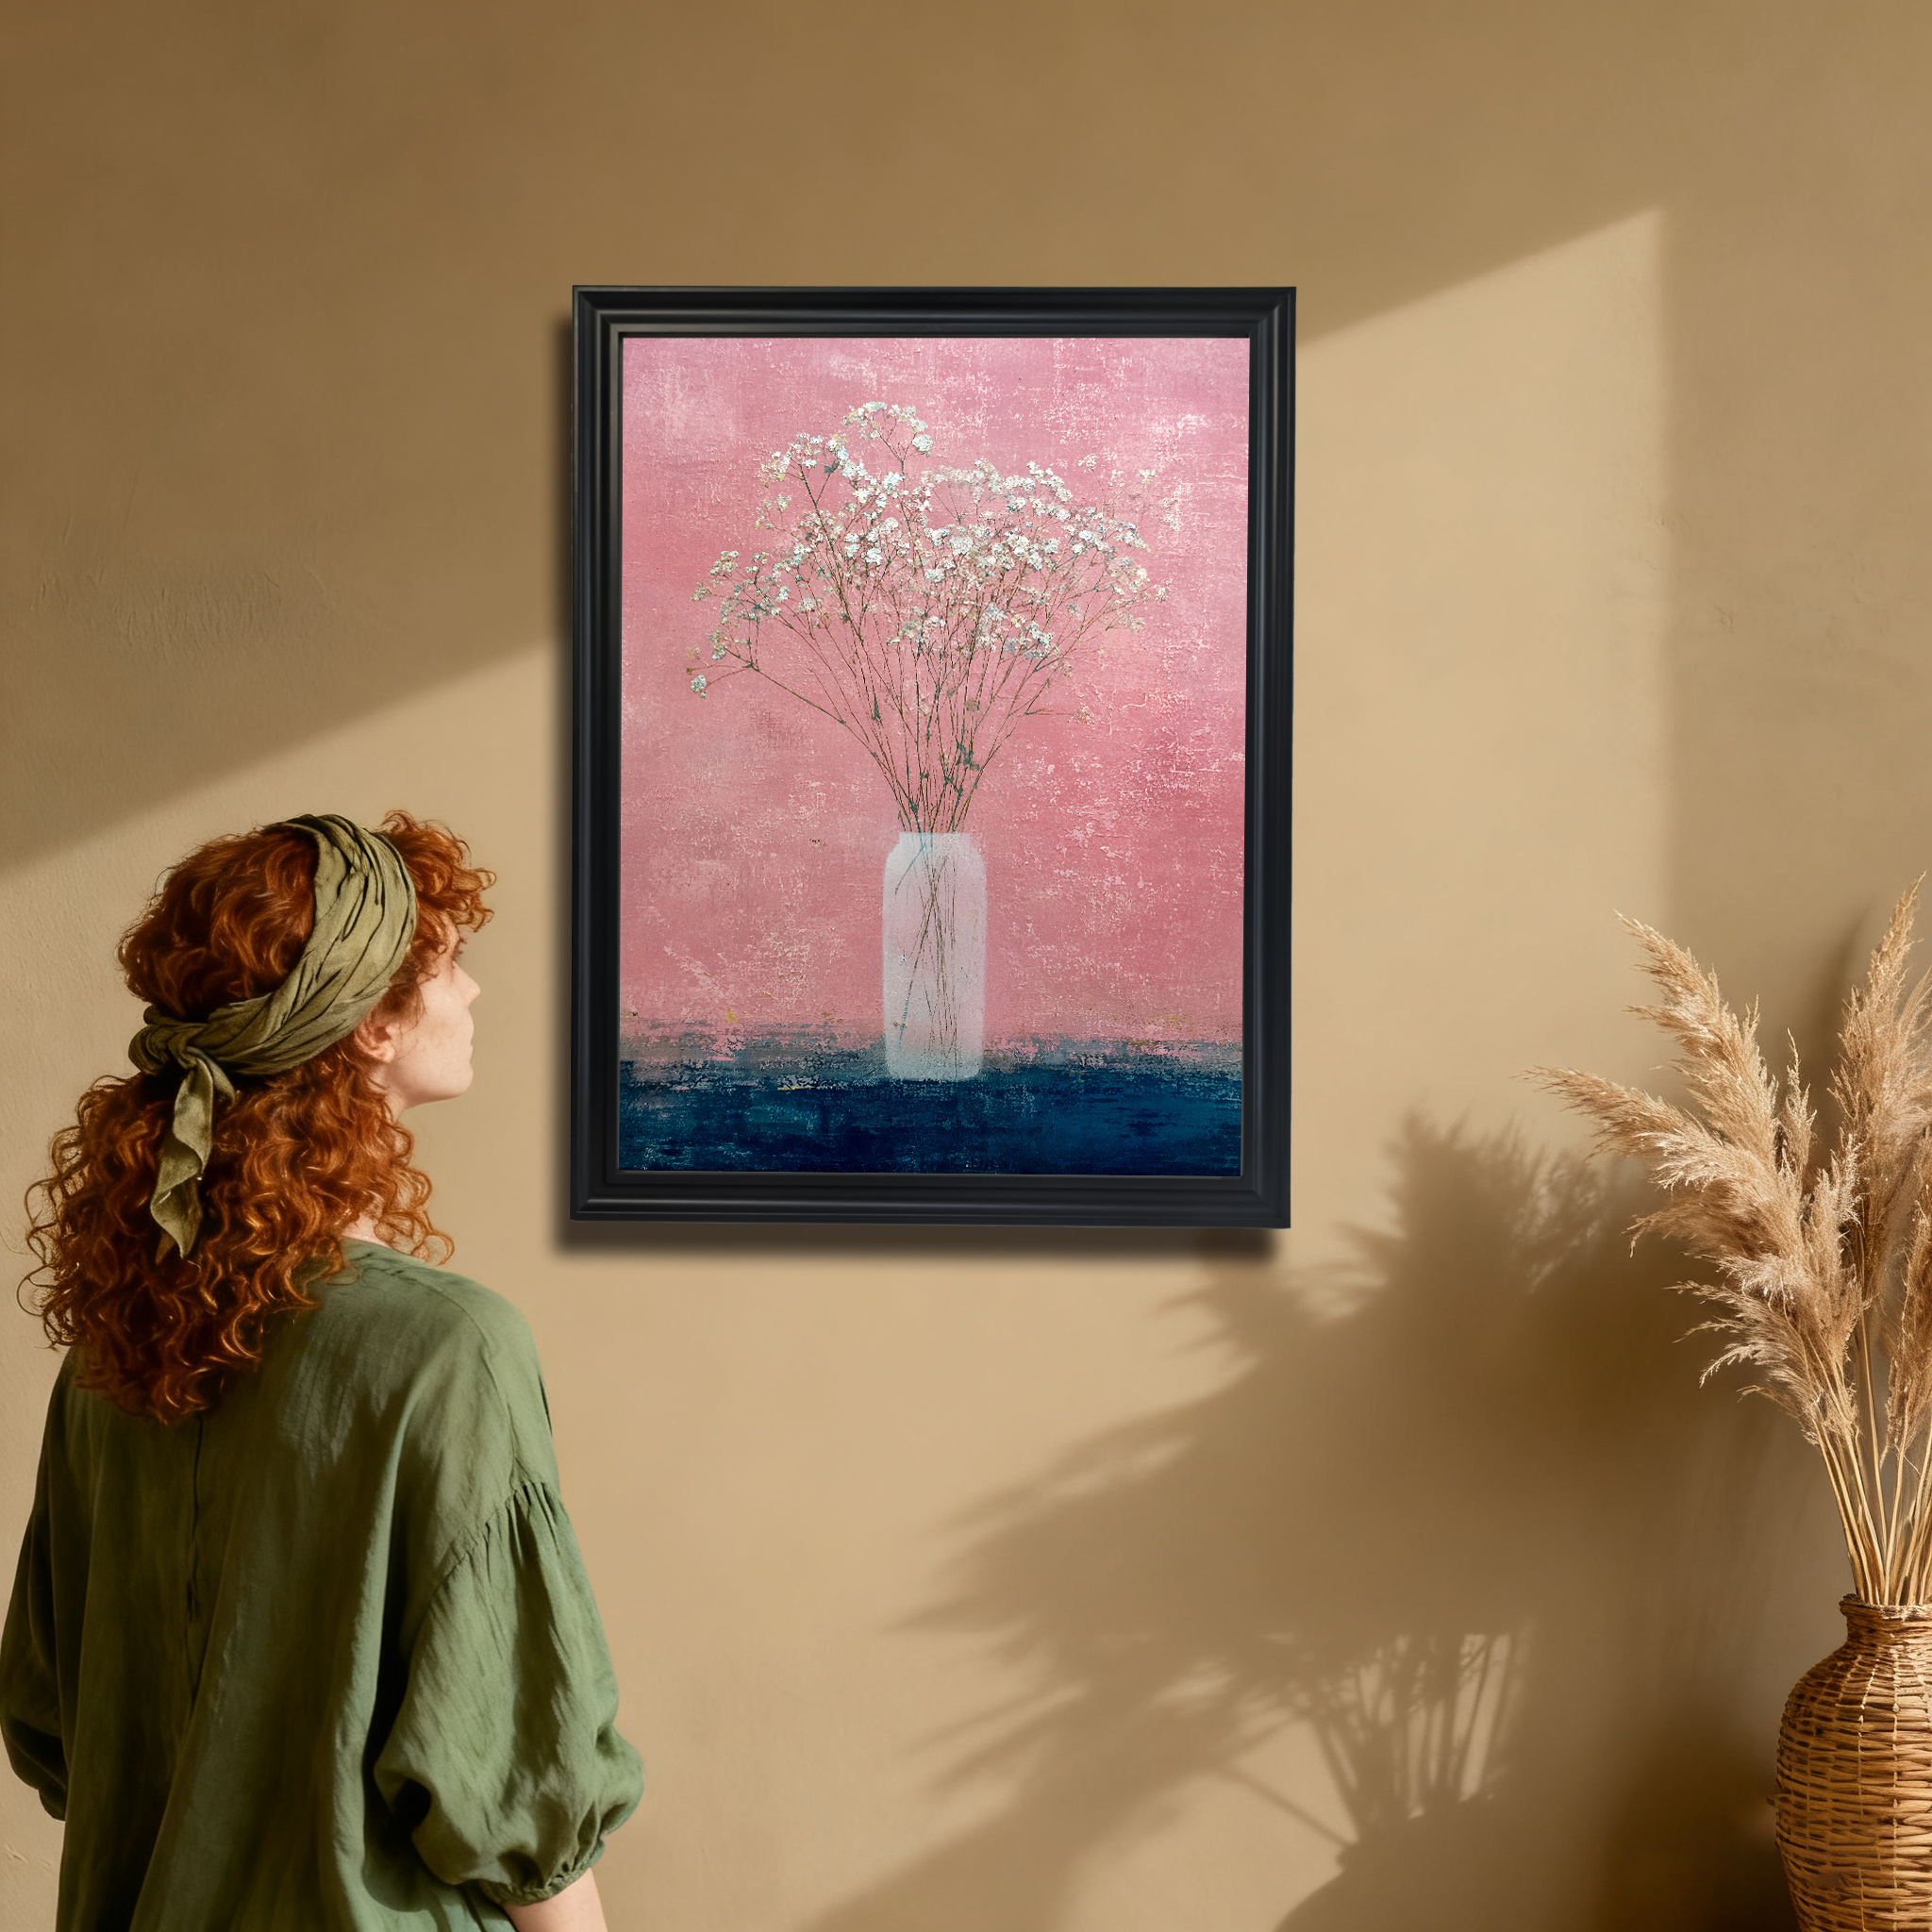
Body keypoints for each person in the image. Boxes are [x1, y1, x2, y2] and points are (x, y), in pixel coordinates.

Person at [1, 812, 641, 1930]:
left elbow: (57, 1723)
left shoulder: (112, 1346)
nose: (474, 995)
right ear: (372, 1029)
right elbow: (512, 1786)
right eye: (447, 965)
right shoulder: (449, 1345)